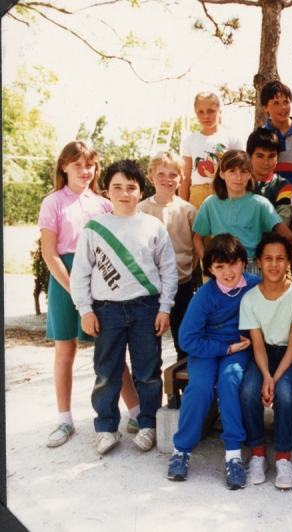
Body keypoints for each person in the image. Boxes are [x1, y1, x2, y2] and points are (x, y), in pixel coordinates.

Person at [70, 160, 177, 455]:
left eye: (131, 187)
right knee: (107, 372)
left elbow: (168, 270)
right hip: (107, 311)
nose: (124, 193)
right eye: (117, 187)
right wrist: (85, 310)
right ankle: (105, 428)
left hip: (146, 308)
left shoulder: (153, 225)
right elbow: (80, 272)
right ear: (107, 191)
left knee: (148, 371)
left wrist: (165, 307)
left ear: (141, 190)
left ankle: (147, 425)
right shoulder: (95, 228)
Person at [38, 141, 140, 448]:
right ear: (64, 167)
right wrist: (74, 288)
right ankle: (65, 420)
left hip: (102, 276)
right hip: (65, 278)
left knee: (111, 348)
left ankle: (137, 412)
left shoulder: (103, 203)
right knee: (65, 351)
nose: (85, 171)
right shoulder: (53, 202)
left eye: (90, 165)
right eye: (78, 165)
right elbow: (49, 252)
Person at [167, 234, 259, 489]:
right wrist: (223, 347)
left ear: (243, 262)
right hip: (207, 349)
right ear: (210, 269)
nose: (228, 272)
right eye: (219, 267)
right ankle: (181, 450)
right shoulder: (205, 295)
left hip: (240, 348)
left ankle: (233, 455)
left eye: (232, 264)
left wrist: (242, 344)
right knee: (200, 387)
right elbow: (187, 339)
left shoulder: (255, 286)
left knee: (230, 381)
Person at [239, 233, 292, 489]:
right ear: (259, 261)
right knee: (248, 391)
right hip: (263, 353)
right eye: (268, 259)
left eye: (280, 258)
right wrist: (266, 376)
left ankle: (283, 457)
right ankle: (257, 453)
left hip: (289, 354)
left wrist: (275, 380)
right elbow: (257, 344)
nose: (274, 264)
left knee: (286, 393)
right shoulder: (250, 298)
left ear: (288, 261)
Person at [192, 149, 292, 277]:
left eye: (244, 171)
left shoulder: (260, 204)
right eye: (232, 171)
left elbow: (289, 238)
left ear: (250, 175)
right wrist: (211, 265)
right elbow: (197, 239)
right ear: (222, 174)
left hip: (252, 268)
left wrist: (274, 265)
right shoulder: (210, 203)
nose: (238, 177)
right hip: (222, 270)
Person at [139, 151, 198, 361]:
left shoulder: (189, 210)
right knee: (148, 343)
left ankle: (182, 390)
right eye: (161, 173)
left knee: (183, 340)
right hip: (150, 286)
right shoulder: (140, 210)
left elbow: (195, 246)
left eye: (173, 174)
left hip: (181, 284)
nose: (167, 179)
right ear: (151, 177)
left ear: (182, 179)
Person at [180, 92, 243, 211]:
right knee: (197, 229)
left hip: (224, 194)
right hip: (196, 197)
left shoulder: (232, 138)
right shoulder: (190, 140)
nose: (206, 116)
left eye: (211, 111)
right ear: (195, 113)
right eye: (201, 112)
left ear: (220, 111)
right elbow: (185, 178)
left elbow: (240, 173)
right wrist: (182, 207)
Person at [247, 128, 292, 227]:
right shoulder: (240, 182)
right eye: (260, 156)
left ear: (278, 157)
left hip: (271, 240)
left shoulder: (284, 186)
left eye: (271, 156)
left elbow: (282, 223)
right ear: (250, 156)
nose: (266, 162)